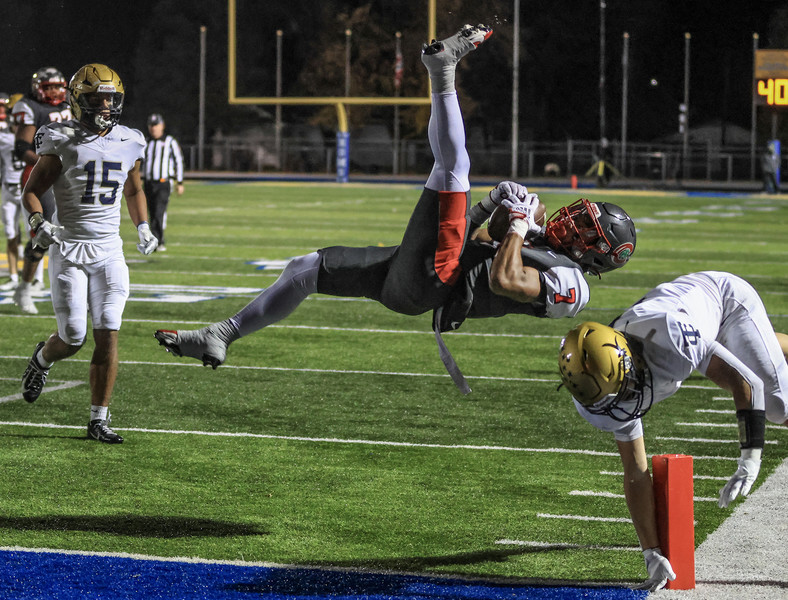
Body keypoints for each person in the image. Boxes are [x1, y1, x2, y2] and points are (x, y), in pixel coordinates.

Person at [154, 24, 636, 393]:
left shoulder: (572, 286)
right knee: (304, 268)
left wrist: (517, 227)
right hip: (420, 277)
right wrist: (493, 206)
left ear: (594, 253)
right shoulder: (544, 250)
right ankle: (222, 333)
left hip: (436, 279)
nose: (570, 220)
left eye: (584, 228)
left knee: (454, 167)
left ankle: (442, 70)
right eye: (580, 215)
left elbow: (503, 280)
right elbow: (475, 243)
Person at [557, 271, 788, 591]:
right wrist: (651, 553)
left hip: (724, 303)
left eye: (623, 392)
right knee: (758, 363)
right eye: (609, 400)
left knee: (778, 408)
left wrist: (750, 458)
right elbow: (635, 472)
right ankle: (762, 343)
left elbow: (746, 383)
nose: (620, 405)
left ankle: (760, 338)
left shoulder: (670, 339)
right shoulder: (597, 396)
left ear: (631, 359)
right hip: (693, 320)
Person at [20, 63, 158, 444]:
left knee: (109, 332)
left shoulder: (130, 139)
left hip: (109, 250)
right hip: (69, 247)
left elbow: (133, 189)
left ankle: (99, 418)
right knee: (74, 335)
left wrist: (143, 226)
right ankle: (43, 358)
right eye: (97, 98)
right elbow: (31, 191)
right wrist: (38, 222)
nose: (105, 105)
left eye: (111, 98)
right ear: (78, 100)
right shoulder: (60, 137)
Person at [11, 67, 73, 314]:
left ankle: (70, 288)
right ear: (38, 88)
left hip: (67, 175)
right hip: (41, 177)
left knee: (74, 232)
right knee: (44, 235)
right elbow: (21, 148)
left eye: (58, 86)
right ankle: (24, 288)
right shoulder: (28, 107)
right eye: (49, 87)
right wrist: (48, 164)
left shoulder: (69, 105)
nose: (55, 91)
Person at [142, 113, 184, 252]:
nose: (153, 129)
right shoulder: (146, 142)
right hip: (148, 183)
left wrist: (180, 182)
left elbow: (179, 161)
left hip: (163, 182)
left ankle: (157, 241)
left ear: (162, 126)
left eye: (156, 125)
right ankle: (157, 240)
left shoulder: (170, 141)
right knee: (152, 212)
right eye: (151, 126)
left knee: (159, 212)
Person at [0, 94, 26, 291]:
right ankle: (14, 277)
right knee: (10, 234)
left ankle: (35, 279)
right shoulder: (4, 136)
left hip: (27, 191)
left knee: (34, 236)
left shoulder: (31, 136)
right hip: (8, 190)